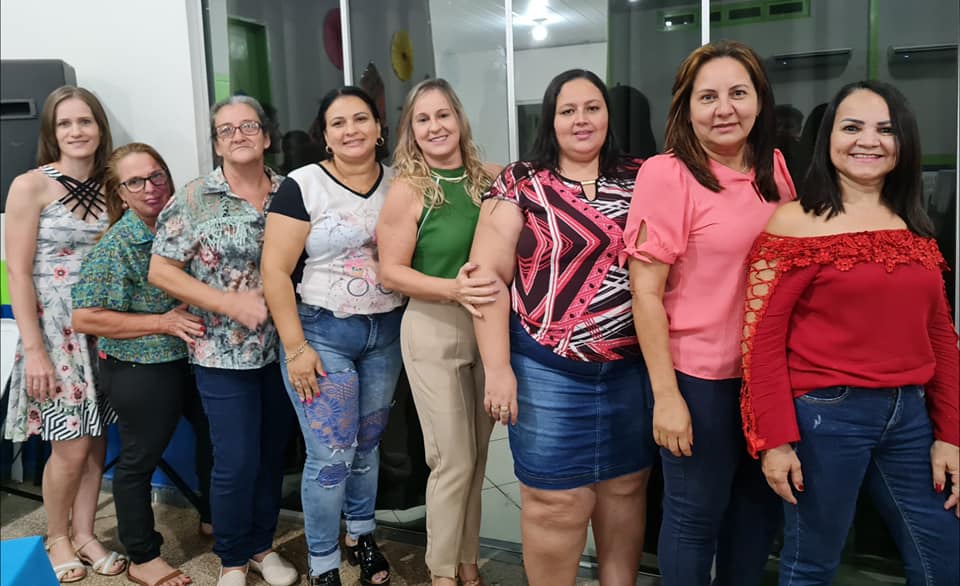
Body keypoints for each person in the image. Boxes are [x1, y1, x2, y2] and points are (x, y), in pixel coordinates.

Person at [740, 80, 960, 585]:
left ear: (903, 142)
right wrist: (775, 441)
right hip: (826, 416)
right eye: (852, 127)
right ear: (829, 138)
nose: (868, 141)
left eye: (885, 129)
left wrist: (951, 435)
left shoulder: (912, 221)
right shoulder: (793, 222)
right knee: (812, 563)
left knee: (943, 557)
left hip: (910, 416)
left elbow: (941, 337)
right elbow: (760, 342)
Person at [470, 69, 655, 586]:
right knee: (555, 502)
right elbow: (487, 279)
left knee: (625, 492)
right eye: (567, 110)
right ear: (550, 120)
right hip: (547, 372)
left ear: (609, 115)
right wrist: (497, 370)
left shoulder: (644, 176)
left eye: (592, 107)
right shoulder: (520, 182)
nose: (581, 119)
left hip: (630, 370)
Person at [622, 40, 796, 586]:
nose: (725, 109)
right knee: (695, 517)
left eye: (738, 93)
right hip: (699, 380)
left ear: (759, 100)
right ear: (686, 106)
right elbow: (644, 293)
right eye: (708, 97)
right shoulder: (667, 174)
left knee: (758, 513)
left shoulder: (775, 167)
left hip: (768, 378)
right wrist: (667, 395)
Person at [148, 95, 297, 586]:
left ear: (267, 136)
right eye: (226, 129)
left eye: (249, 125)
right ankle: (232, 559)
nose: (238, 135)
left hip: (286, 349)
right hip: (222, 353)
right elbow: (161, 271)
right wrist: (225, 302)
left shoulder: (292, 191)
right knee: (236, 461)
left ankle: (262, 547)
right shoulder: (194, 199)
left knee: (272, 455)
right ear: (216, 143)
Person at [261, 86, 403, 586]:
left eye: (361, 118)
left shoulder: (400, 182)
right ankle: (322, 563)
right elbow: (274, 271)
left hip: (386, 332)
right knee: (331, 455)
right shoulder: (303, 185)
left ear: (379, 127)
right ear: (324, 135)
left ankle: (361, 535)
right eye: (337, 122)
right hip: (322, 334)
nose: (351, 130)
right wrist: (296, 348)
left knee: (368, 445)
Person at [71, 143, 214, 586]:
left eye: (156, 176)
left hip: (191, 358)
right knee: (138, 460)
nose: (150, 188)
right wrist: (162, 322)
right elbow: (85, 317)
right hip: (140, 365)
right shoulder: (117, 245)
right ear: (120, 192)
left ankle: (214, 517)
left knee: (216, 436)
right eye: (135, 182)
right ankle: (142, 557)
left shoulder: (183, 225)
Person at [376, 78, 501, 586]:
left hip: (488, 328)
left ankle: (467, 560)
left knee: (478, 458)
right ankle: (442, 571)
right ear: (411, 131)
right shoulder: (409, 189)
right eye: (422, 119)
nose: (435, 127)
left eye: (443, 115)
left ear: (459, 119)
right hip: (433, 326)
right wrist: (454, 290)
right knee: (452, 459)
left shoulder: (488, 180)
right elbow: (390, 272)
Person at [3, 85, 126, 583]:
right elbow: (17, 273)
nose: (76, 131)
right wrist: (34, 350)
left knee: (96, 442)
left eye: (85, 121)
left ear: (99, 127)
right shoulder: (30, 185)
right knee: (70, 446)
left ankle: (85, 533)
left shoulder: (111, 184)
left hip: (102, 329)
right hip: (54, 337)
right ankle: (57, 536)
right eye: (65, 123)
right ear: (51, 133)